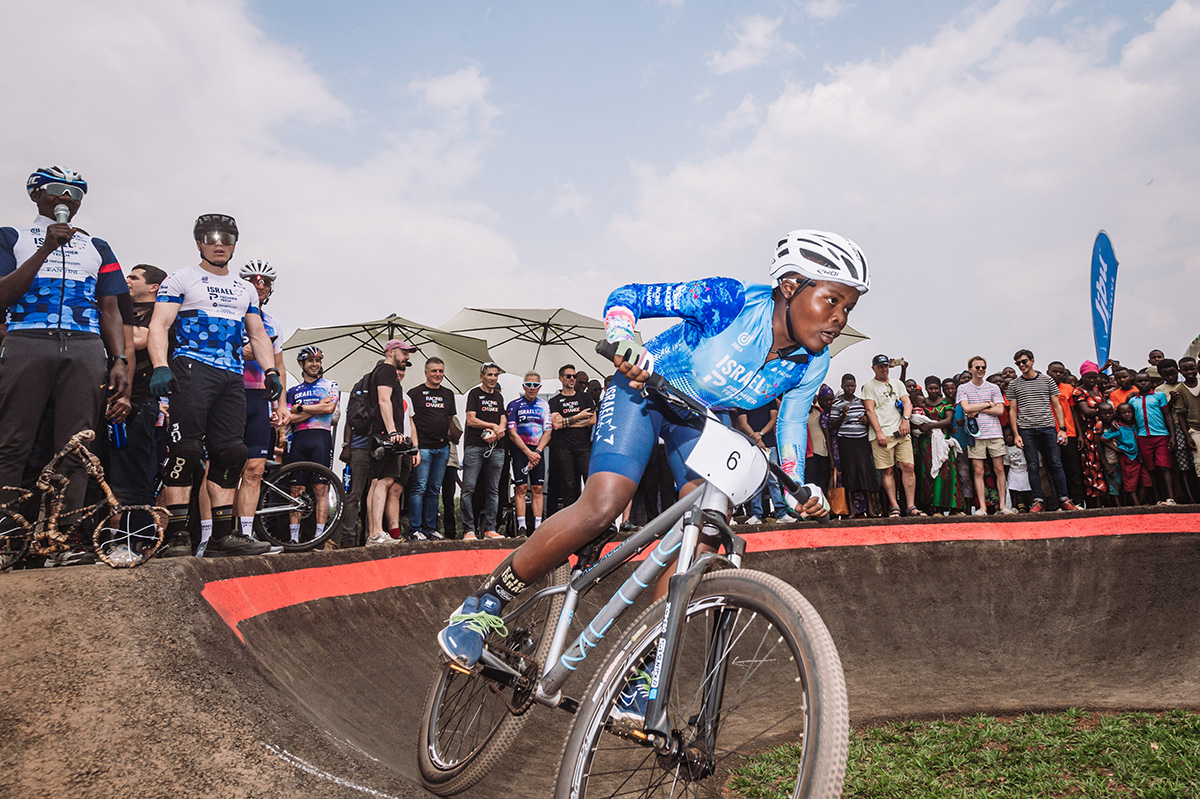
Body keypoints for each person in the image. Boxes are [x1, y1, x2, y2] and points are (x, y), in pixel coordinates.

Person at [438, 227, 864, 709]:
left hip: (700, 417)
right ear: (791, 285)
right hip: (643, 390)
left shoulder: (813, 362)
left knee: (703, 529)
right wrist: (624, 339)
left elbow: (789, 429)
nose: (839, 317)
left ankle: (644, 668)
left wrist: (798, 487)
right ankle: (484, 603)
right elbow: (627, 298)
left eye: (848, 308)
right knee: (605, 503)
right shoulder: (728, 301)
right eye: (832, 300)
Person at [0, 166, 129, 542]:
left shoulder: (96, 246)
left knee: (77, 444)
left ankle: (66, 533)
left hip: (85, 344)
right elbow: (3, 295)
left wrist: (119, 360)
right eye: (57, 189)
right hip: (28, 340)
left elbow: (110, 309)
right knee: (13, 440)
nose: (67, 199)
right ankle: (7, 533)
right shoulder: (13, 237)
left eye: (75, 193)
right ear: (35, 194)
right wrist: (45, 249)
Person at [149, 214, 281, 557]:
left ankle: (222, 537)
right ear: (198, 242)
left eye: (225, 237)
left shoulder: (245, 288)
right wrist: (161, 366)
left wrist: (270, 372)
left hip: (231, 374)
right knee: (187, 450)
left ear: (235, 244)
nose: (218, 243)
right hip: (191, 367)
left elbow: (258, 334)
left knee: (232, 453)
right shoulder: (182, 278)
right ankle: (178, 536)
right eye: (210, 236)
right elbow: (160, 325)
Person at [107, 265, 167, 514]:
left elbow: (140, 340)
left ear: (154, 286)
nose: (127, 281)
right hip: (109, 399)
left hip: (141, 402)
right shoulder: (120, 310)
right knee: (109, 474)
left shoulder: (161, 313)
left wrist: (108, 322)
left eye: (134, 277)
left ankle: (137, 538)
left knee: (136, 475)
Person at [234, 260, 287, 544]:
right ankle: (212, 534)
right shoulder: (229, 313)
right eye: (253, 281)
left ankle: (245, 534)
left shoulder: (273, 323)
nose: (259, 285)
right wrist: (240, 352)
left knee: (254, 469)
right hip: (230, 392)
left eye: (264, 282)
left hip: (258, 397)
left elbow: (279, 366)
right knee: (221, 468)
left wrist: (281, 406)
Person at [1005, 349, 1078, 513]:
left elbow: (1057, 405)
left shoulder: (1047, 380)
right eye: (1018, 363)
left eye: (1024, 361)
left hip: (1048, 427)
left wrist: (1063, 429)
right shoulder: (1014, 384)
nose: (1022, 365)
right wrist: (1016, 434)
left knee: (1056, 464)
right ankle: (1037, 501)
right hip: (1027, 429)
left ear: (1032, 360)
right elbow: (1012, 411)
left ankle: (1064, 499)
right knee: (1032, 466)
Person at [365, 340, 419, 545]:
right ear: (390, 352)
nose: (407, 357)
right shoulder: (387, 370)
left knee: (378, 481)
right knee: (385, 481)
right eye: (404, 353)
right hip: (386, 433)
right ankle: (376, 533)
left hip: (380, 432)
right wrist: (393, 432)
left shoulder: (380, 372)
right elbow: (383, 400)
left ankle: (373, 532)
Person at [284, 346, 339, 543]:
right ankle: (293, 538)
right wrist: (317, 409)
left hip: (321, 440)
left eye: (318, 360)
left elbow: (330, 408)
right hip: (300, 440)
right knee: (296, 490)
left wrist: (302, 409)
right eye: (310, 361)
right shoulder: (293, 391)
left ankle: (319, 536)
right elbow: (289, 417)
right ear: (302, 364)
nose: (315, 364)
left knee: (321, 489)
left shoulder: (330, 384)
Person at [862, 354, 920, 517]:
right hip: (882, 434)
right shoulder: (869, 386)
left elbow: (907, 402)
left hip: (901, 431)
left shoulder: (898, 384)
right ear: (874, 368)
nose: (884, 369)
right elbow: (869, 410)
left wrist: (906, 420)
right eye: (880, 366)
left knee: (908, 466)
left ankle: (911, 505)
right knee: (887, 470)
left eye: (886, 366)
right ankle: (894, 506)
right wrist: (878, 431)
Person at [956, 356, 1013, 515]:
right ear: (970, 369)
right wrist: (988, 404)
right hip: (975, 434)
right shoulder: (964, 388)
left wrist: (979, 409)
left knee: (999, 469)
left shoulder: (993, 387)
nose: (980, 370)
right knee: (978, 471)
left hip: (994, 432)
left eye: (983, 367)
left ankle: (1002, 505)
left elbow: (1000, 410)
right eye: (977, 367)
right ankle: (982, 507)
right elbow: (966, 408)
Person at [408, 357, 457, 540]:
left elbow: (450, 419)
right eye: (434, 371)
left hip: (442, 448)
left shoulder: (448, 394)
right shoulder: (415, 393)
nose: (438, 374)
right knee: (419, 487)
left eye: (441, 371)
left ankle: (430, 529)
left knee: (435, 489)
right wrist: (415, 447)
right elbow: (409, 420)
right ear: (426, 372)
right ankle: (415, 529)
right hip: (423, 448)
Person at [460, 362, 507, 541]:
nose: (493, 378)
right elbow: (471, 420)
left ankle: (490, 528)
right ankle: (469, 529)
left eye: (495, 375)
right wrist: (491, 426)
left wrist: (498, 431)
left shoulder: (498, 396)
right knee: (468, 488)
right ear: (482, 376)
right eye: (489, 375)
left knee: (493, 490)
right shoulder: (474, 394)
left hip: (496, 447)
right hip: (475, 446)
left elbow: (503, 418)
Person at [547, 363, 597, 515]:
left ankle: (593, 515)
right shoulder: (555, 401)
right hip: (563, 448)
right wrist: (579, 417)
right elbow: (556, 424)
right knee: (568, 485)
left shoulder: (585, 397)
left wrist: (567, 422)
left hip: (583, 447)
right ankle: (572, 518)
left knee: (590, 481)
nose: (572, 379)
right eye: (568, 376)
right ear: (561, 378)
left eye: (574, 376)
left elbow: (592, 420)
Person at [506, 373, 553, 535]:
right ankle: (521, 527)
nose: (532, 388)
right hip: (521, 451)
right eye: (528, 385)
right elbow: (512, 432)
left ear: (539, 387)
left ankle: (538, 526)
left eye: (535, 385)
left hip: (537, 451)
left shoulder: (544, 405)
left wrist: (537, 452)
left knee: (537, 488)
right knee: (521, 488)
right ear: (523, 386)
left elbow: (548, 432)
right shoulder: (514, 405)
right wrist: (528, 453)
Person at [912, 375, 963, 514]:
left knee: (948, 474)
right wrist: (924, 428)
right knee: (929, 475)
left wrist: (929, 426)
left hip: (943, 441)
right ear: (926, 388)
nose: (933, 391)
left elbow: (948, 420)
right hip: (926, 444)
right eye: (930, 388)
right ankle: (935, 508)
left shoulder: (945, 402)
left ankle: (954, 508)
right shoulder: (923, 403)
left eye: (936, 388)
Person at [829, 373, 878, 517]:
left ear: (855, 386)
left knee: (865, 474)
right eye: (847, 386)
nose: (850, 389)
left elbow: (871, 418)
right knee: (849, 475)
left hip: (861, 441)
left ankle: (869, 509)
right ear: (842, 387)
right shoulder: (837, 404)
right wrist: (843, 415)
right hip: (846, 442)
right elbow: (833, 425)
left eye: (852, 386)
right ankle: (851, 510)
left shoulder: (861, 402)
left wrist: (866, 420)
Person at [735, 398, 788, 523]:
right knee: (756, 481)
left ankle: (781, 513)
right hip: (752, 445)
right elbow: (743, 423)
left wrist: (761, 434)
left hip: (769, 444)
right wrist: (758, 439)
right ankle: (756, 514)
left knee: (773, 480)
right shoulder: (744, 400)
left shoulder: (770, 400)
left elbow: (773, 419)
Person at [1129, 371, 1178, 505]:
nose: (1143, 383)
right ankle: (1157, 499)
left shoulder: (1159, 396)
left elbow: (1167, 415)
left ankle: (1170, 498)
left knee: (1164, 466)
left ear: (1151, 382)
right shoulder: (1133, 400)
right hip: (1143, 437)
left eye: (1146, 380)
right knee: (1151, 469)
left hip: (1161, 435)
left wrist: (1172, 436)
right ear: (1135, 384)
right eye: (1140, 381)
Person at [1071, 361, 1109, 502]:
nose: (1092, 380)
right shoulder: (1078, 391)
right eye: (1088, 377)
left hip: (1103, 431)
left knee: (1106, 463)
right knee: (1093, 465)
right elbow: (1087, 411)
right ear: (1082, 377)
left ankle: (1107, 499)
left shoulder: (1098, 390)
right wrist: (1108, 412)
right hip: (1090, 433)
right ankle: (1095, 499)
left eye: (1095, 377)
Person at [1102, 402, 1145, 506]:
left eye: (1129, 412)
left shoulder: (1135, 425)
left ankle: (1139, 504)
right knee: (1129, 485)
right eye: (1123, 412)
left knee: (1146, 482)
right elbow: (1103, 438)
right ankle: (1137, 507)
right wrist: (1116, 449)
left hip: (1139, 458)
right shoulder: (1118, 428)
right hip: (1127, 458)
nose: (1127, 414)